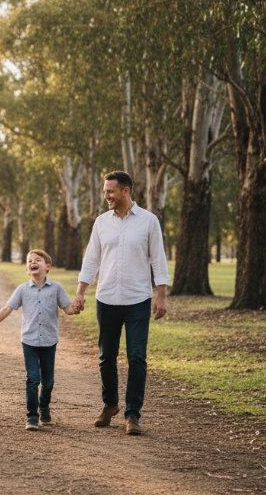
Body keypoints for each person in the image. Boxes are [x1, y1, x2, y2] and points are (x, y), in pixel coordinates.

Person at [73, 170, 169, 436]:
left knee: (137, 357)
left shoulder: (149, 221)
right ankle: (110, 404)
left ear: (125, 191)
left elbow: (158, 260)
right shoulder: (101, 223)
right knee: (106, 356)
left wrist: (161, 296)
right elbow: (91, 259)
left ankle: (132, 414)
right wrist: (81, 292)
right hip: (107, 298)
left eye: (110, 192)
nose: (106, 196)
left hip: (138, 298)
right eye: (105, 192)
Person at [0, 249, 78, 431]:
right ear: (27, 269)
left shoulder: (56, 288)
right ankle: (32, 416)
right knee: (33, 379)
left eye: (38, 260)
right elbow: (6, 309)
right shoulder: (22, 290)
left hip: (49, 341)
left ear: (47, 266)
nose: (33, 262)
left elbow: (68, 309)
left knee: (48, 382)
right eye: (29, 261)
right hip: (29, 341)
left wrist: (77, 306)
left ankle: (44, 406)